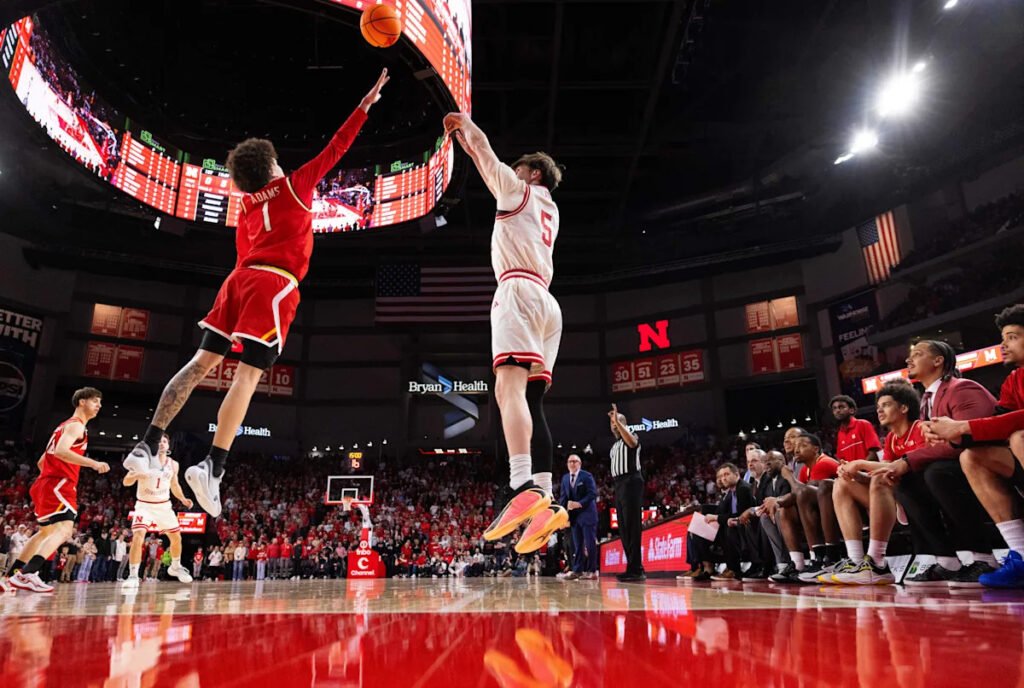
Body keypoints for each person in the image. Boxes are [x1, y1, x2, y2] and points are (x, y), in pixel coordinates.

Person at [122, 69, 391, 518]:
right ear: (270, 167)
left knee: (200, 363)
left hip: (237, 281)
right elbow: (337, 147)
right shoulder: (293, 187)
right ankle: (213, 465)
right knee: (247, 377)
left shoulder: (246, 205)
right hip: (274, 284)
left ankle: (147, 443)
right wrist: (365, 105)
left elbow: (243, 253)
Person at [443, 110, 567, 555]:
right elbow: (485, 164)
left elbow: (486, 155)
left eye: (519, 169)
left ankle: (521, 486)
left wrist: (465, 125)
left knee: (507, 389)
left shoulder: (519, 190)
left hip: (518, 292)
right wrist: (465, 142)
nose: (511, 174)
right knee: (533, 400)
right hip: (548, 304)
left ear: (533, 173)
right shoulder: (550, 208)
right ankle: (547, 498)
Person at [874, 340, 999, 588]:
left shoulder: (962, 388)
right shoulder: (927, 400)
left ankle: (984, 558)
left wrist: (907, 460)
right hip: (954, 467)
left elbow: (970, 437)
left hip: (985, 464)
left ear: (938, 360)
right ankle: (947, 561)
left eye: (917, 354)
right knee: (906, 483)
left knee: (937, 473)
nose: (908, 360)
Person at [923, 304, 1024, 587]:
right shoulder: (1013, 380)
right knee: (971, 456)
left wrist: (963, 426)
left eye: (1013, 337)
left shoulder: (963, 387)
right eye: (1003, 338)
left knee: (1020, 437)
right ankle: (1021, 554)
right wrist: (950, 434)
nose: (1004, 345)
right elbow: (997, 424)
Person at [3, 387, 109, 594]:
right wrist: (93, 463)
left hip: (46, 484)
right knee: (64, 530)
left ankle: (9, 577)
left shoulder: (63, 426)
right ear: (82, 402)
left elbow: (42, 461)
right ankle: (28, 573)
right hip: (59, 485)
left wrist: (51, 476)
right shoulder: (76, 426)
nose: (99, 405)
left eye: (100, 402)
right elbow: (60, 451)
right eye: (95, 401)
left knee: (45, 533)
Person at [828, 380, 924, 585]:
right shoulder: (891, 439)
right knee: (841, 482)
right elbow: (885, 468)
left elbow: (905, 465)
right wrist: (856, 474)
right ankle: (856, 560)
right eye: (878, 406)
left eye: (886, 405)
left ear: (904, 408)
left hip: (918, 496)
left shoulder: (920, 428)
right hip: (895, 499)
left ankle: (876, 561)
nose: (879, 410)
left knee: (880, 477)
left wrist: (860, 463)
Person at [122, 435, 194, 588]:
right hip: (144, 505)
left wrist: (182, 499)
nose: (161, 443)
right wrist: (136, 475)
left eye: (164, 441)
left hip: (163, 506)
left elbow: (174, 485)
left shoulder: (173, 464)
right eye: (159, 441)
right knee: (138, 536)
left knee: (176, 537)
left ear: (168, 445)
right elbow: (126, 481)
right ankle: (133, 576)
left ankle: (175, 567)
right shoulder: (143, 461)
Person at [607, 404, 645, 582]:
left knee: (632, 525)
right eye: (612, 423)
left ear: (624, 424)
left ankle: (637, 569)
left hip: (631, 481)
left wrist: (618, 421)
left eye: (618, 422)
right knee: (623, 528)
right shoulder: (614, 446)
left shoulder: (632, 436)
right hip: (619, 485)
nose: (614, 425)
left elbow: (632, 442)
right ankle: (632, 566)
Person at [558, 454, 599, 580]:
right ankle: (577, 570)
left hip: (587, 515)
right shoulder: (565, 478)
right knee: (577, 545)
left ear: (579, 464)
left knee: (590, 544)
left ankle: (592, 571)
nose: (572, 463)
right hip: (574, 517)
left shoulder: (586, 476)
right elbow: (563, 498)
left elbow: (592, 494)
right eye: (570, 461)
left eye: (575, 461)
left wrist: (579, 504)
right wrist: (561, 516)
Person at [831, 395, 882, 463]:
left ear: (851, 410)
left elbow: (874, 453)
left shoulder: (863, 424)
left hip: (869, 469)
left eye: (841, 407)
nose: (837, 410)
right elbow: (841, 459)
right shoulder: (840, 434)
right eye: (834, 408)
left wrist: (859, 468)